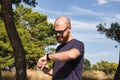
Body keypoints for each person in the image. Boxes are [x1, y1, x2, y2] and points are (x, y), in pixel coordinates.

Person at [37, 16, 85, 80]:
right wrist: (47, 71)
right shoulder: (59, 48)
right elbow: (58, 73)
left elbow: (71, 55)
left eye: (60, 32)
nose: (58, 35)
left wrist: (48, 57)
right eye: (56, 32)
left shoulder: (78, 44)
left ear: (69, 29)